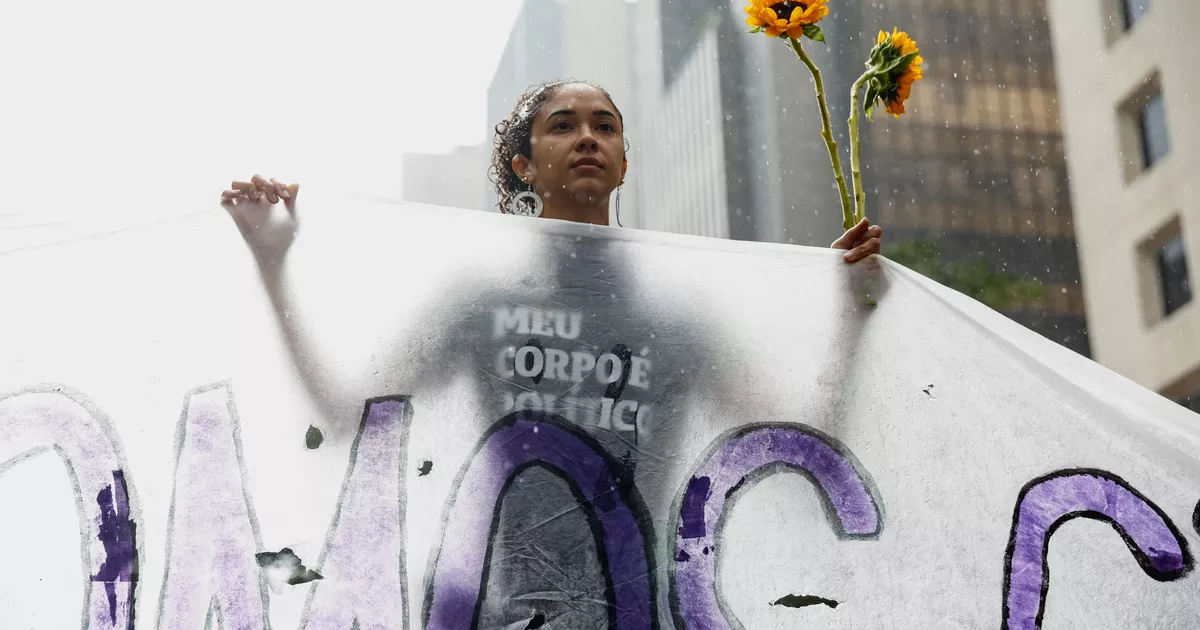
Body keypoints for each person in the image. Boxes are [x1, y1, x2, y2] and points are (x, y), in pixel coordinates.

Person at [222, 79, 883, 627]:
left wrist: (842, 312)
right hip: (494, 613)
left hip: (637, 612)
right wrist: (272, 265)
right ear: (525, 165)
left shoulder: (676, 317)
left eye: (605, 126)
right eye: (563, 125)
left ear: (624, 162)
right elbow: (342, 414)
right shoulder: (479, 300)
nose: (588, 136)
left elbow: (800, 432)